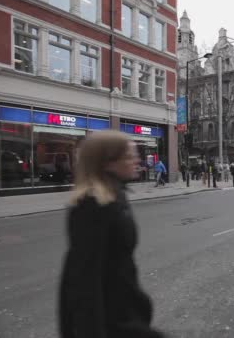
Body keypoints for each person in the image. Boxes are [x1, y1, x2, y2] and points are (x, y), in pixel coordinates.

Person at [59, 131, 164, 338]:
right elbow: (83, 281)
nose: (137, 160)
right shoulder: (93, 206)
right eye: (128, 156)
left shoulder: (114, 196)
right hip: (113, 323)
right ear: (107, 163)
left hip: (125, 315)